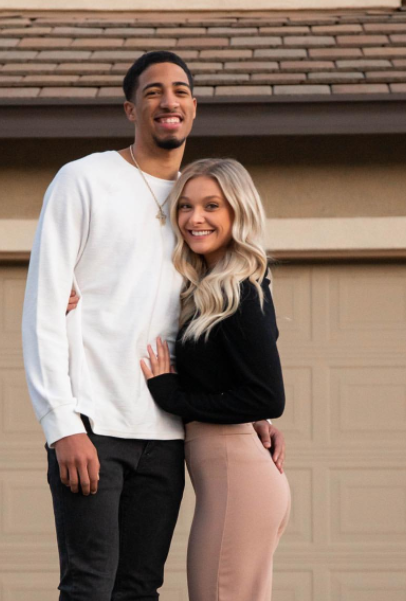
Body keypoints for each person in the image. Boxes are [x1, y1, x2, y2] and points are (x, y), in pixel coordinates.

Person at [21, 50, 286, 601]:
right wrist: (61, 423)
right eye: (153, 91)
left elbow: (217, 318)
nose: (170, 101)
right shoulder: (84, 179)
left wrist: (250, 408)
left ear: (194, 107)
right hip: (93, 422)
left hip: (167, 434)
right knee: (89, 586)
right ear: (130, 108)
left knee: (140, 588)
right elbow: (44, 306)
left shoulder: (198, 205)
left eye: (182, 90)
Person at [139, 158, 290, 601]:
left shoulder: (243, 287)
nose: (194, 218)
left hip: (237, 480)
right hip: (234, 476)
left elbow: (267, 395)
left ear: (237, 212)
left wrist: (173, 396)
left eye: (211, 206)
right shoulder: (209, 287)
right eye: (184, 206)